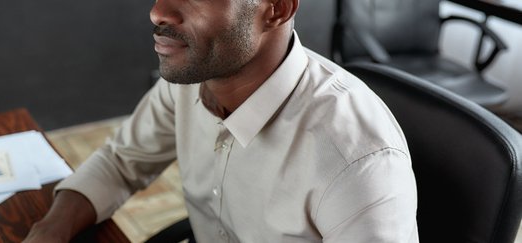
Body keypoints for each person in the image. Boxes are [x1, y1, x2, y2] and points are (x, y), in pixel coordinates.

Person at [24, 0, 419, 242]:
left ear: (277, 8)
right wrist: (50, 231)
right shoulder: (192, 80)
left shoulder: (358, 162)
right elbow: (119, 162)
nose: (158, 10)